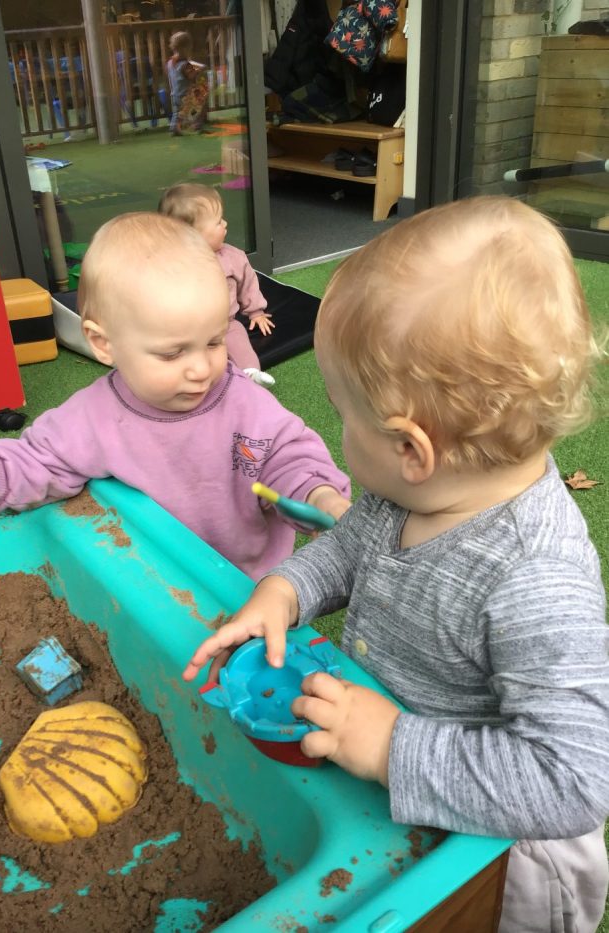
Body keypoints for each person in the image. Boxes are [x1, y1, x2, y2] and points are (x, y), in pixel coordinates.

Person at [183, 196, 609, 932]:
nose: (335, 428)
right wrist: (285, 589)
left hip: (502, 860)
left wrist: (389, 746)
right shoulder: (409, 488)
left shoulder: (535, 575)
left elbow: (572, 778)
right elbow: (352, 547)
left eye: (345, 416)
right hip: (391, 789)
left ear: (412, 447)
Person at [0, 213, 350, 582]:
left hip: (247, 579)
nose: (202, 368)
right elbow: (36, 462)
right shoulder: (92, 419)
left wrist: (319, 495)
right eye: (173, 352)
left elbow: (287, 456)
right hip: (153, 578)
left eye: (215, 341)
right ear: (104, 344)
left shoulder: (242, 401)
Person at [159, 183, 276, 387]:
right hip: (183, 328)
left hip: (224, 325)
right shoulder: (172, 262)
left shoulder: (233, 258)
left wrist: (256, 312)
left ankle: (250, 374)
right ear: (191, 235)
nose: (225, 224)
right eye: (218, 222)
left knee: (240, 346)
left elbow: (248, 283)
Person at [166, 31, 208, 136]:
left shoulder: (170, 62)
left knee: (177, 113)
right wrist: (199, 70)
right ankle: (197, 125)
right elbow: (191, 76)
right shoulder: (185, 65)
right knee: (200, 103)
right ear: (185, 48)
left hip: (174, 94)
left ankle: (174, 128)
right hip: (186, 95)